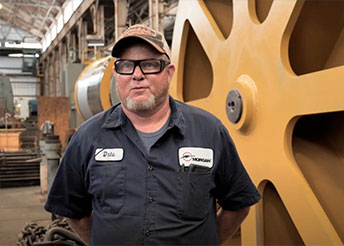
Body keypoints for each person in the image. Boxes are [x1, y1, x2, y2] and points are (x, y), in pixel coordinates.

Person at [44, 24, 261, 245]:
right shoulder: (87, 137)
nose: (137, 75)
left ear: (169, 73)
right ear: (117, 75)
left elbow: (238, 202)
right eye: (126, 66)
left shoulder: (209, 131)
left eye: (149, 65)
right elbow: (72, 209)